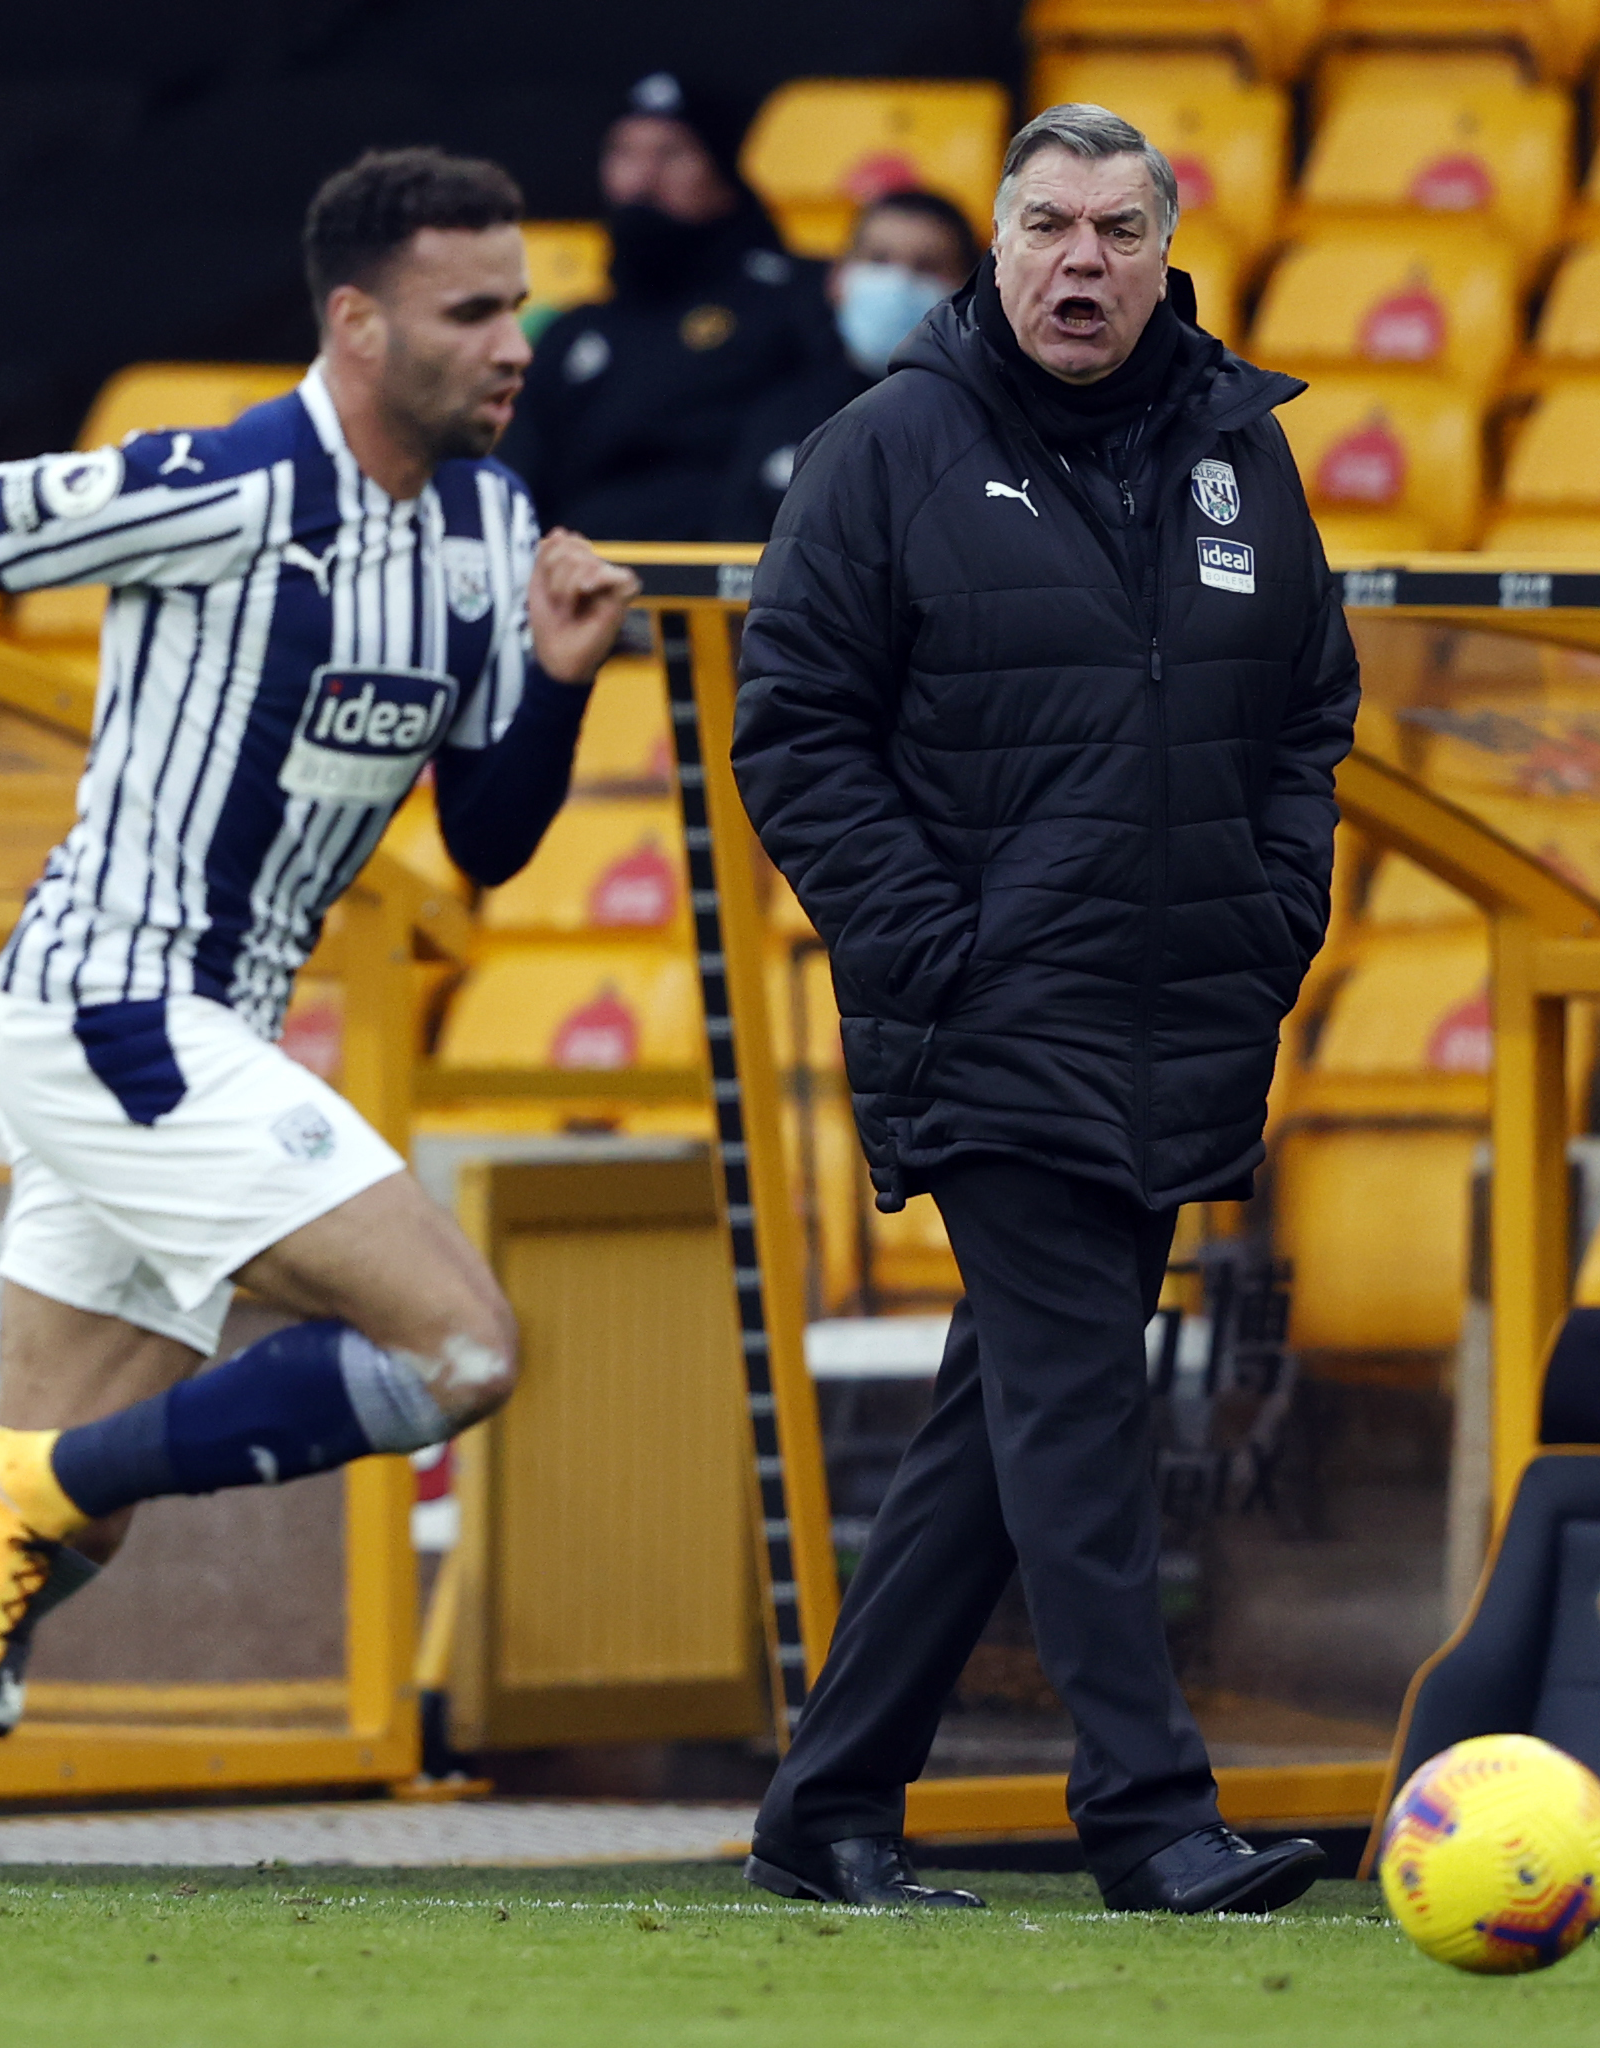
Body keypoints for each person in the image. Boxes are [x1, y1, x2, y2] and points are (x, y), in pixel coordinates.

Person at [0, 146, 639, 1954]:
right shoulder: (223, 485)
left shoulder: (484, 529)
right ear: (358, 321)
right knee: (459, 1345)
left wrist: (550, 680)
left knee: (52, 1536)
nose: (515, 339)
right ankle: (28, 1482)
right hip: (111, 1010)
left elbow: (491, 841)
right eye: (476, 309)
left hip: (186, 1035)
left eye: (520, 303)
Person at [729, 104, 1359, 1917]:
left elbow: (1312, 703)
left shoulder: (1241, 454)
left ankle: (824, 1801)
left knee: (1004, 1420)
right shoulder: (886, 448)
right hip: (995, 1010)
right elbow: (793, 727)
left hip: (1181, 1000)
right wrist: (937, 942)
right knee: (1082, 1403)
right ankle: (1147, 1811)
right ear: (995, 251)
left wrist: (1273, 905)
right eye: (1043, 227)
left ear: (1170, 252)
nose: (1078, 261)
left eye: (1114, 228)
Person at [496, 70, 852, 541]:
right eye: (623, 154)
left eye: (671, 154)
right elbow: (516, 477)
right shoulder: (574, 333)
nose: (642, 178)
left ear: (723, 173)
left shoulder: (798, 297)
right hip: (580, 585)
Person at [830, 188, 982, 380]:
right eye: (879, 259)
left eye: (927, 267)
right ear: (837, 276)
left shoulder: (988, 406)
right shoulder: (788, 397)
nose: (898, 281)